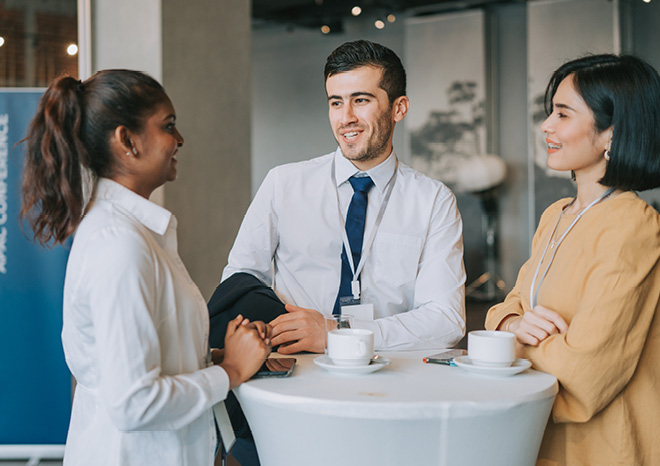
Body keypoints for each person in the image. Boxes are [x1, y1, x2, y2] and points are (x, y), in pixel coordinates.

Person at [20, 70, 271, 466]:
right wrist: (232, 372)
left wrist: (217, 360)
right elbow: (134, 403)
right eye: (168, 126)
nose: (180, 139)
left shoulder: (137, 232)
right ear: (126, 140)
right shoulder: (119, 243)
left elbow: (146, 358)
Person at [485, 54, 660, 465]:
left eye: (563, 114)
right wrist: (513, 325)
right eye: (550, 112)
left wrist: (506, 346)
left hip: (606, 449)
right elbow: (506, 308)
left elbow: (587, 371)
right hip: (540, 439)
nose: (547, 126)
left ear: (612, 132)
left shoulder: (632, 224)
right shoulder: (556, 215)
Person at [220, 39, 466, 355]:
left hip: (388, 373)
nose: (345, 117)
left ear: (399, 108)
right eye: (336, 102)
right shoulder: (284, 183)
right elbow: (240, 282)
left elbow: (446, 320)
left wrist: (339, 333)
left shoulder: (433, 201)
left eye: (360, 100)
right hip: (294, 367)